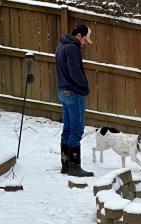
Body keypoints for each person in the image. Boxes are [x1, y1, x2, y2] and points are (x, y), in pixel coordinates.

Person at [55, 24, 94, 177]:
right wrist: (84, 87)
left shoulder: (61, 46)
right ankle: (74, 167)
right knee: (77, 129)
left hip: (63, 91)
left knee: (68, 128)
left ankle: (65, 165)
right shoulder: (72, 48)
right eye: (85, 39)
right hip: (74, 92)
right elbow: (75, 72)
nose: (84, 43)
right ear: (79, 35)